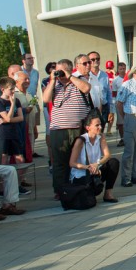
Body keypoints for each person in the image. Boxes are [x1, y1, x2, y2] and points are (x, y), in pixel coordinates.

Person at [43, 58, 92, 198]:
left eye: (60, 70)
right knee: (60, 162)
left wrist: (69, 76)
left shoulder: (79, 80)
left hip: (78, 128)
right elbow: (45, 99)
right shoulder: (54, 84)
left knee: (79, 160)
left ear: (69, 69)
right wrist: (52, 80)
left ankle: (79, 187)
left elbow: (86, 88)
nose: (58, 73)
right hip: (58, 129)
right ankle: (60, 191)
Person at [67, 113, 119, 203]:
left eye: (100, 125)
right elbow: (72, 163)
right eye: (97, 125)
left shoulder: (101, 137)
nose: (100, 127)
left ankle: (108, 194)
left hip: (95, 171)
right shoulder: (80, 141)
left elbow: (107, 155)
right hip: (81, 174)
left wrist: (97, 164)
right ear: (88, 127)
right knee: (91, 196)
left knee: (114, 162)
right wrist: (88, 167)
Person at [112, 61, 126, 146]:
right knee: (120, 122)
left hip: (128, 103)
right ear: (118, 70)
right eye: (121, 69)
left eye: (124, 68)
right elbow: (114, 93)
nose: (122, 70)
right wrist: (114, 105)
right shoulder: (115, 80)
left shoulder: (129, 78)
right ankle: (122, 138)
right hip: (119, 103)